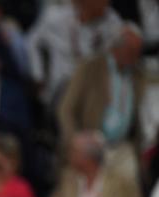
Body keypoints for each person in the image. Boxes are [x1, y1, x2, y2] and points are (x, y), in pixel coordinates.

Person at [58, 24, 145, 178]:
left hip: (122, 147)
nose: (135, 57)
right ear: (117, 48)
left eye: (138, 52)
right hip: (92, 145)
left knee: (129, 186)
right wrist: (75, 142)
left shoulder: (136, 74)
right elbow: (66, 109)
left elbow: (137, 117)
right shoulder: (90, 67)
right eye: (132, 51)